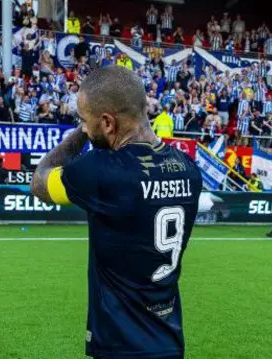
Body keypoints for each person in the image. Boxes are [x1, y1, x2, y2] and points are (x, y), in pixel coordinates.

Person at [30, 66, 202, 359]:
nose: (84, 126)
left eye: (85, 120)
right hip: (169, 341)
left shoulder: (102, 171)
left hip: (120, 345)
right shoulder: (188, 168)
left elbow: (40, 181)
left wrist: (80, 136)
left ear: (108, 122)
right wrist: (90, 121)